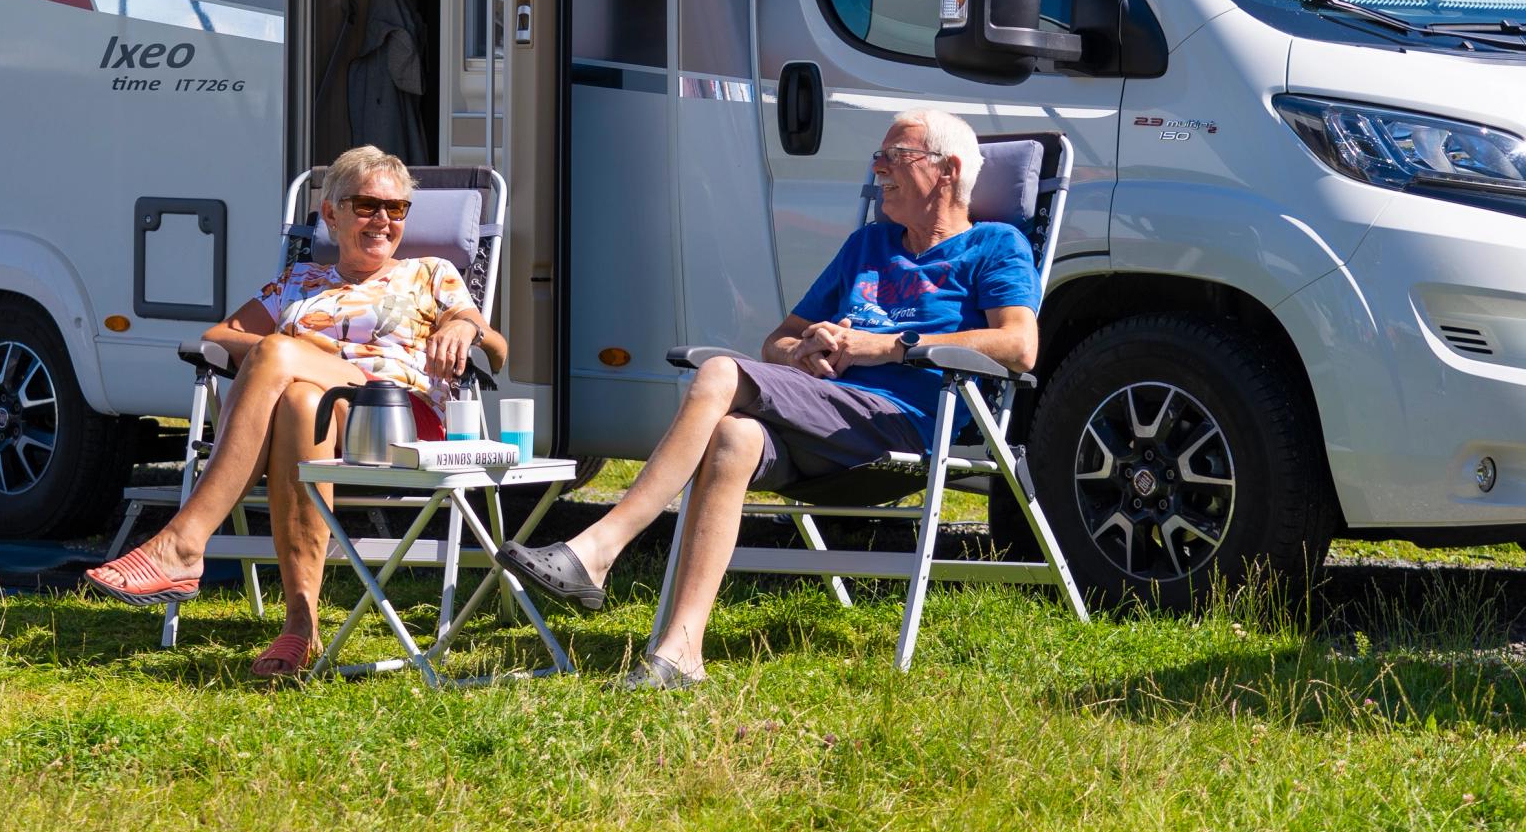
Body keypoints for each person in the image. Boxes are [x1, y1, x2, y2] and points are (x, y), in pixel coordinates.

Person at [499, 109, 1038, 688]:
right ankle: (681, 652)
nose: (877, 168)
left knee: (719, 373)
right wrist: (807, 348)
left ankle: (601, 547)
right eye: (877, 157)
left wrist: (887, 346)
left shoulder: (993, 245)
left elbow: (1019, 345)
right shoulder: (867, 246)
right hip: (827, 413)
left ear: (948, 170)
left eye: (893, 156)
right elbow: (776, 339)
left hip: (902, 422)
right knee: (733, 437)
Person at [85, 145, 504, 678]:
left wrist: (465, 325)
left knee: (277, 353)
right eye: (368, 205)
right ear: (331, 213)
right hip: (317, 415)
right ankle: (299, 628)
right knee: (298, 397)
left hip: (394, 418)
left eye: (396, 209)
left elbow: (498, 349)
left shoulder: (430, 272)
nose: (383, 220)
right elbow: (219, 337)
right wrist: (302, 362)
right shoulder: (300, 281)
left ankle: (184, 543)